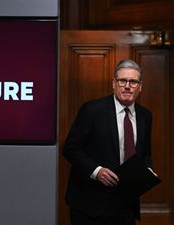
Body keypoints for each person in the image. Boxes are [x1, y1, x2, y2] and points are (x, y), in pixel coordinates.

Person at [63, 59, 154, 225]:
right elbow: (70, 149)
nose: (127, 86)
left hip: (126, 205)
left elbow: (145, 153)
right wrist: (96, 171)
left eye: (133, 82)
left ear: (140, 86)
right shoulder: (92, 110)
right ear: (114, 83)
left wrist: (148, 171)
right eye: (122, 81)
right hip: (90, 204)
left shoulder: (145, 116)